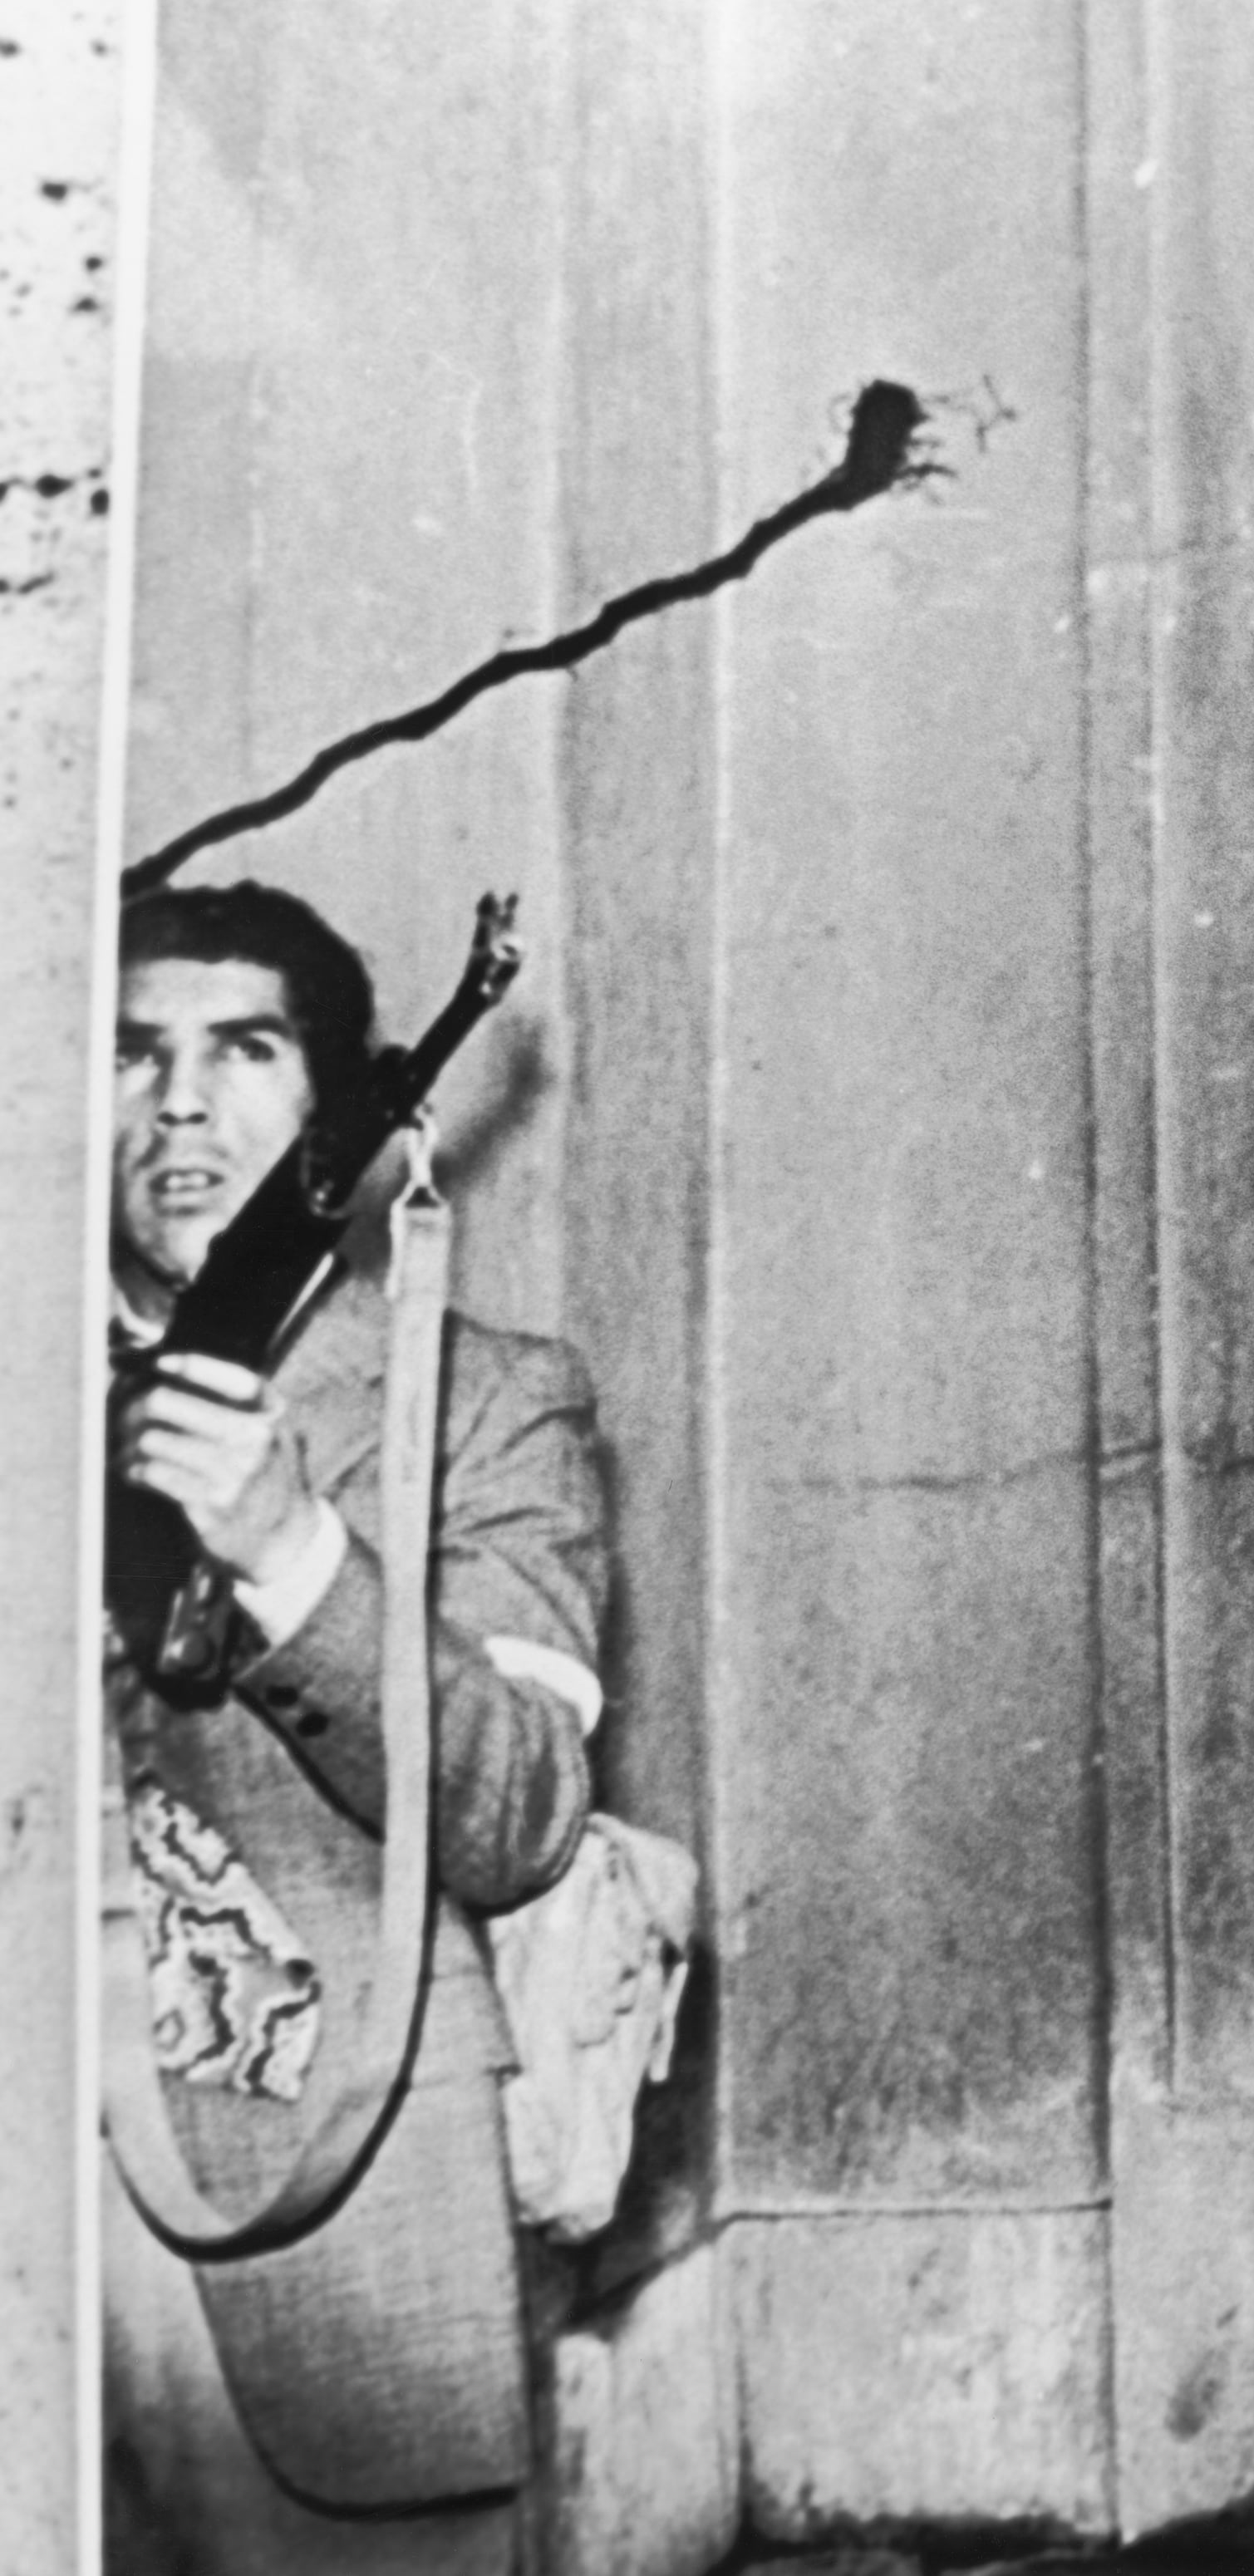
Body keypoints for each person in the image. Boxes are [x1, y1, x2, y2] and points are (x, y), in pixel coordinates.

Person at [99, 882, 606, 2576]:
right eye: (130, 1052)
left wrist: (295, 1558)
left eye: (243, 1050)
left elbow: (523, 1810)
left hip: (328, 2210)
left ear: (334, 1111)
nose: (179, 1102)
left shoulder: (481, 1398)